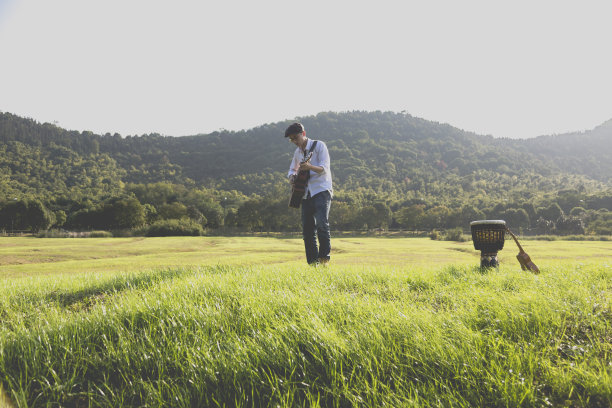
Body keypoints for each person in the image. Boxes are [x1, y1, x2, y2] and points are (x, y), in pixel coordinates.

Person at [285, 122, 333, 265]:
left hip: (321, 190)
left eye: (295, 138)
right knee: (307, 231)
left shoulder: (319, 146)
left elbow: (324, 168)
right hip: (305, 193)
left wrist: (309, 166)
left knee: (322, 225)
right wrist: (292, 177)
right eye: (291, 139)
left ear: (303, 134)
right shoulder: (297, 153)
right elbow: (292, 170)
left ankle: (324, 260)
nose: (294, 141)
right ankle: (313, 264)